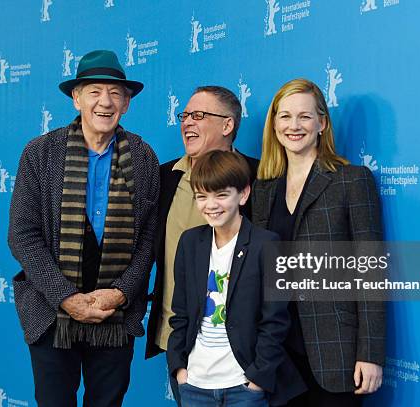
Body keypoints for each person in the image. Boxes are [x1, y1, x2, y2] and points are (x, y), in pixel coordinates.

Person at [8, 50, 159, 407]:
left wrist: (121, 293)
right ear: (76, 98)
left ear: (127, 103)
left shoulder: (143, 157)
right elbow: (23, 234)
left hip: (115, 316)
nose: (105, 102)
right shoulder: (40, 153)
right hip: (52, 312)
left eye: (115, 93)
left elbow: (150, 239)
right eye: (94, 91)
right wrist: (67, 298)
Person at [252, 78, 385, 406]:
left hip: (334, 349)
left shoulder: (352, 180)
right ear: (274, 124)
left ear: (322, 123)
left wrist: (370, 353)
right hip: (276, 354)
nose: (293, 126)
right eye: (284, 116)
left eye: (305, 116)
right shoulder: (263, 190)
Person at [145, 86, 259, 402]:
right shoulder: (164, 177)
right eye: (184, 115)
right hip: (179, 344)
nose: (186, 123)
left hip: (240, 353)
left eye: (199, 115)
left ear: (227, 125)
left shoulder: (260, 177)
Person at [167, 150, 305, 406]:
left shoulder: (267, 244)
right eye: (202, 196)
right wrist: (179, 369)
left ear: (243, 194)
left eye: (221, 195)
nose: (211, 204)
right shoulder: (190, 242)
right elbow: (181, 313)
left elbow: (275, 322)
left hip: (244, 386)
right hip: (195, 384)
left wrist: (257, 379)